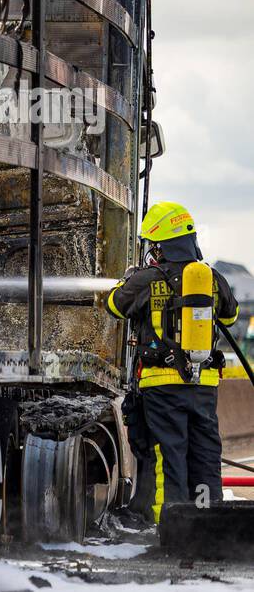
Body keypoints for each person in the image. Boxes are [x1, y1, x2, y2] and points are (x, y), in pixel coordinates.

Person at [105, 201, 240, 523]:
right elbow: (231, 316)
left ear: (160, 246)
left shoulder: (147, 278)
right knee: (206, 454)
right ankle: (209, 521)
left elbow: (114, 306)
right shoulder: (210, 277)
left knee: (169, 455)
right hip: (204, 384)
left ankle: (171, 527)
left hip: (161, 384)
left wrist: (129, 280)